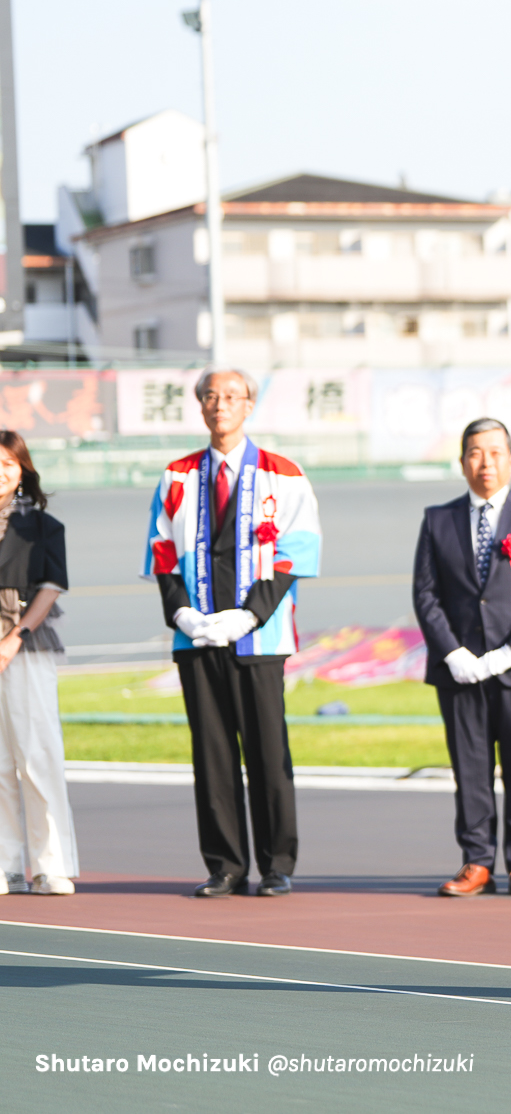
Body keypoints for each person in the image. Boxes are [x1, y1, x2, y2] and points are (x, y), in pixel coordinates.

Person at [143, 369, 321, 898]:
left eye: (232, 397)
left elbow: (297, 551)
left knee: (268, 752)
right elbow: (162, 553)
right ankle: (224, 864)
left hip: (259, 639)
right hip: (196, 639)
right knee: (212, 754)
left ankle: (276, 864)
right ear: (200, 406)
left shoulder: (282, 474)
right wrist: (183, 616)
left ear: (250, 406)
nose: (221, 405)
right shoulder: (177, 476)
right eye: (211, 397)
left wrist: (249, 615)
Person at [412, 419, 511, 897]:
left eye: (496, 453)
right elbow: (426, 593)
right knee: (470, 767)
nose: (486, 463)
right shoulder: (438, 520)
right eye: (476, 454)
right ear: (461, 462)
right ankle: (477, 860)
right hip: (459, 670)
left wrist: (510, 652)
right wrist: (454, 653)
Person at [0, 432, 77, 897]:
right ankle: (6, 865)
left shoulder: (43, 526)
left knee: (37, 754)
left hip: (25, 642)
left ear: (24, 470)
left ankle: (51, 865)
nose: (1, 471)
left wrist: (13, 639)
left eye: (9, 463)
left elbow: (50, 589)